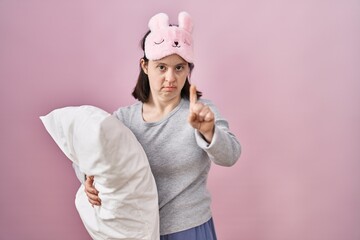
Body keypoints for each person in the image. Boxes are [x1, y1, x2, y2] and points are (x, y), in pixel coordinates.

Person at [79, 11, 241, 240]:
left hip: (189, 229)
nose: (171, 78)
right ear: (145, 66)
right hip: (137, 232)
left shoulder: (201, 111)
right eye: (162, 67)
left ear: (188, 70)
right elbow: (89, 156)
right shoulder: (124, 120)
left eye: (179, 67)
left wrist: (208, 131)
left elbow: (231, 155)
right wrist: (88, 179)